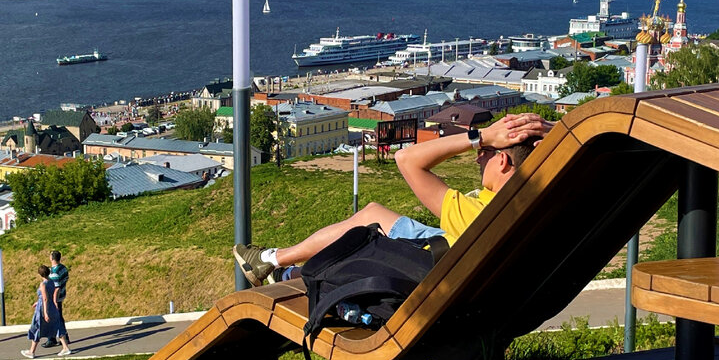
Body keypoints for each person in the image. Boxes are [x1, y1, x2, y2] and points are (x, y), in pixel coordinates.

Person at [234, 112, 550, 285]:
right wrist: (549, 131)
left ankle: (272, 261)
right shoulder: (537, 197)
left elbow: (407, 159)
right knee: (372, 221)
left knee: (369, 220)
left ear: (504, 162)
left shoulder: (482, 214)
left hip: (438, 266)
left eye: (485, 154)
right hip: (478, 273)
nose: (478, 159)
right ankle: (284, 270)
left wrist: (479, 136)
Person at [22, 265, 72, 358]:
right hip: (52, 306)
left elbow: (45, 298)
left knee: (37, 327)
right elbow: (49, 295)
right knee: (57, 325)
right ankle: (65, 347)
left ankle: (31, 351)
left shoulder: (43, 284)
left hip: (43, 308)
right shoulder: (51, 281)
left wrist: (45, 313)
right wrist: (38, 302)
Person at [41, 250, 70, 348]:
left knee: (52, 318)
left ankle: (52, 339)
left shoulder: (54, 273)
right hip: (62, 296)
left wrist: (54, 300)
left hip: (54, 298)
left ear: (52, 258)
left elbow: (56, 288)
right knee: (59, 317)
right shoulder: (63, 268)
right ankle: (63, 337)